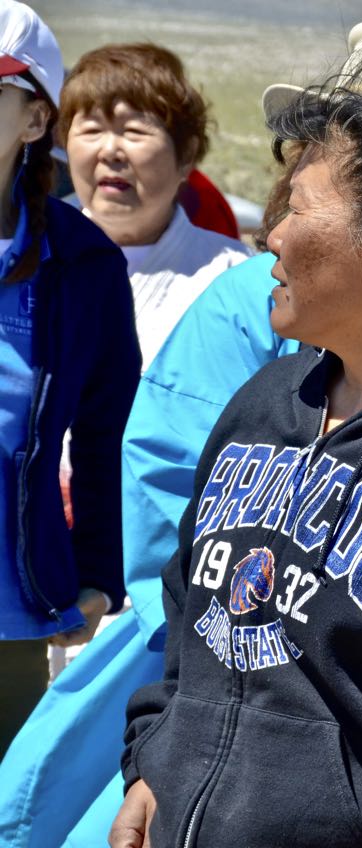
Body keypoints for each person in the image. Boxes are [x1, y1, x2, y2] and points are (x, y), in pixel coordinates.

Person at [0, 17, 362, 848]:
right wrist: (156, 762)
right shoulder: (266, 401)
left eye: (301, 205)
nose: (269, 232)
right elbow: (188, 608)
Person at [0, 0, 140, 754]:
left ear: (34, 121)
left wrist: (97, 573)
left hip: (13, 610)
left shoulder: (85, 263)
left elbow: (103, 430)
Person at [59, 42, 251, 370]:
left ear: (186, 154)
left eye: (133, 132)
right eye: (91, 130)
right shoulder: (28, 258)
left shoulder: (234, 277)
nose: (109, 151)